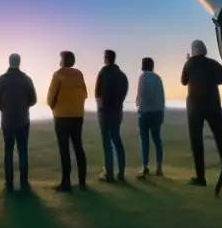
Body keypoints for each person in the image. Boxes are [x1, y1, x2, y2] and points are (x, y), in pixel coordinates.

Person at [181, 40, 222, 187]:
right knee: (220, 135)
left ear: (195, 50)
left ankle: (200, 177)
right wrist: (211, 79)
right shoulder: (212, 63)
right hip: (212, 104)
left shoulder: (189, 64)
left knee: (196, 141)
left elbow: (184, 81)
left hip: (194, 106)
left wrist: (188, 62)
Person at [0, 53, 37, 191]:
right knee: (23, 150)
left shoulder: (2, 79)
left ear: (9, 62)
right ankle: (24, 182)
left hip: (7, 120)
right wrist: (24, 106)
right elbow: (33, 99)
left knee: (8, 151)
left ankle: (9, 183)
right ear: (19, 62)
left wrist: (3, 108)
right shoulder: (26, 79)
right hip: (23, 119)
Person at [47, 50, 88, 192]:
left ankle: (66, 183)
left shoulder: (58, 74)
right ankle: (82, 181)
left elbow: (50, 96)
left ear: (63, 61)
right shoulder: (79, 74)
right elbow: (84, 93)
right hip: (78, 115)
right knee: (78, 147)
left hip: (62, 116)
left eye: (60, 59)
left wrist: (54, 108)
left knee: (64, 149)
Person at [95, 49, 129, 183]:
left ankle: (109, 173)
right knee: (117, 139)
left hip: (105, 112)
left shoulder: (103, 72)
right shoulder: (122, 75)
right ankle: (121, 172)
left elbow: (98, 93)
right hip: (117, 111)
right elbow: (124, 93)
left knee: (106, 142)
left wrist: (100, 107)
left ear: (106, 58)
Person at [135, 56, 166, 180]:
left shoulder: (142, 78)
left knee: (144, 140)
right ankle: (159, 167)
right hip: (157, 112)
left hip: (144, 113)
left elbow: (140, 96)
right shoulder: (157, 78)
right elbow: (161, 96)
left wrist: (138, 105)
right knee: (157, 139)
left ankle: (145, 167)